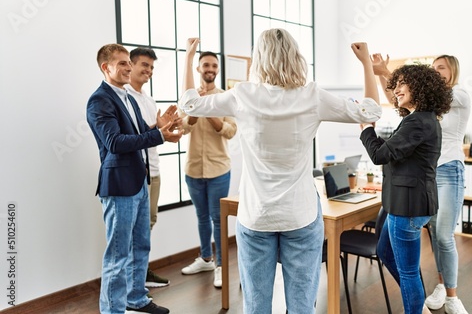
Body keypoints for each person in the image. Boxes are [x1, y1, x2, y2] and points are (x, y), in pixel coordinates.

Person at [179, 29, 382, 314]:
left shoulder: (243, 95)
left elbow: (189, 104)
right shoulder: (312, 95)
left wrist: (189, 58)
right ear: (295, 56)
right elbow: (370, 112)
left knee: (256, 306)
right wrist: (366, 65)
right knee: (301, 307)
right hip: (299, 215)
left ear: (258, 59)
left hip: (256, 215)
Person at [87, 43, 183, 314]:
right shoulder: (100, 100)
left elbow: (141, 131)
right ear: (106, 68)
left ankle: (136, 299)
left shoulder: (126, 96)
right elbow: (115, 142)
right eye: (122, 63)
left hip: (140, 182)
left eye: (129, 62)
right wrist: (160, 135)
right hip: (119, 187)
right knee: (118, 255)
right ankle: (112, 310)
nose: (129, 67)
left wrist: (159, 127)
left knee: (141, 244)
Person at [372, 54, 471, 314]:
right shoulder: (422, 113)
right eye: (433, 68)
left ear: (453, 72)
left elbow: (416, 94)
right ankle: (434, 289)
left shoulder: (458, 95)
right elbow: (402, 98)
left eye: (442, 68)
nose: (437, 72)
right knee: (402, 248)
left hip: (448, 169)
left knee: (443, 236)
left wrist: (393, 77)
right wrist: (388, 77)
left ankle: (451, 295)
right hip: (423, 176)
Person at [179, 50, 237, 288]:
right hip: (193, 169)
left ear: (218, 70)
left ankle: (221, 266)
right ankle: (205, 258)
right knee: (201, 217)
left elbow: (230, 131)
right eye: (205, 65)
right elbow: (183, 128)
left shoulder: (225, 98)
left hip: (218, 170)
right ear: (198, 69)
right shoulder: (188, 98)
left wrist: (208, 109)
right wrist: (195, 107)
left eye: (214, 65)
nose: (210, 69)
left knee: (218, 219)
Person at [125, 47, 175, 289]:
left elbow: (148, 133)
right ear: (130, 65)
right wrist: (158, 130)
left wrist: (162, 127)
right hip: (135, 173)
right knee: (134, 229)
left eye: (152, 67)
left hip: (153, 170)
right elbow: (131, 137)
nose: (148, 70)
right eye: (144, 65)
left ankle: (141, 272)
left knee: (148, 224)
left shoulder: (148, 98)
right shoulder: (123, 97)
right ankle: (133, 279)